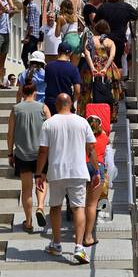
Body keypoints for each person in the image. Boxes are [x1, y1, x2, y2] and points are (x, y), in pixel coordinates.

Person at [36, 93, 97, 264]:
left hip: (56, 172)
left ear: (56, 104)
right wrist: (97, 171)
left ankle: (56, 244)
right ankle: (79, 247)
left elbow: (43, 151)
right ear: (71, 104)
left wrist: (39, 173)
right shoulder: (82, 121)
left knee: (55, 208)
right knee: (78, 208)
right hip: (78, 171)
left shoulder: (49, 123)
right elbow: (91, 149)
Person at [9, 81, 51, 233]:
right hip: (40, 153)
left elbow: (10, 133)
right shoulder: (43, 108)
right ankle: (40, 206)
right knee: (41, 180)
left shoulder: (15, 109)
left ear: (22, 92)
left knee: (26, 189)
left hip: (22, 153)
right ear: (35, 93)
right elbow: (50, 129)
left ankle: (28, 221)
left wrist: (9, 152)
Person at [94, 0, 138, 73]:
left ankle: (106, 83)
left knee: (104, 62)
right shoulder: (126, 7)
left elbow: (95, 21)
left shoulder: (103, 7)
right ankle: (117, 84)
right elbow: (136, 15)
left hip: (105, 39)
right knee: (118, 63)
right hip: (119, 40)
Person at [82, 113, 111, 246]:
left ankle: (79, 231)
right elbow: (108, 154)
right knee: (92, 204)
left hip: (81, 167)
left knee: (80, 204)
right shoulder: (104, 137)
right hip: (96, 167)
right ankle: (88, 236)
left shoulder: (81, 136)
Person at [44, 41, 82, 107]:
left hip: (50, 102)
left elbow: (46, 83)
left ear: (58, 52)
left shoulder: (48, 66)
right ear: (70, 53)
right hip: (66, 102)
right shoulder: (73, 68)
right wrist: (73, 101)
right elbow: (77, 90)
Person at [20, 0, 42, 66]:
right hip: (35, 35)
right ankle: (35, 70)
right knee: (34, 57)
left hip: (32, 35)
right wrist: (24, 7)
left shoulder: (32, 6)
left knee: (24, 55)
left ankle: (29, 70)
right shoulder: (34, 6)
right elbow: (26, 19)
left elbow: (31, 23)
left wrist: (27, 37)